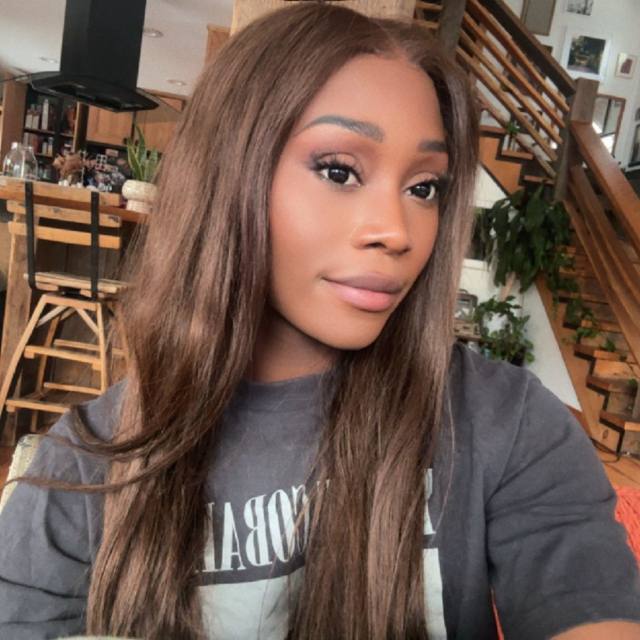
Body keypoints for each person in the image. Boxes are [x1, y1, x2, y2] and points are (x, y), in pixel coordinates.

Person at [0, 3, 639, 639]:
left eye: (424, 187)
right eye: (339, 171)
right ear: (228, 173)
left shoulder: (508, 423)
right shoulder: (81, 470)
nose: (397, 231)